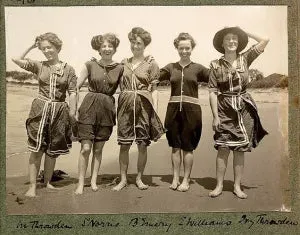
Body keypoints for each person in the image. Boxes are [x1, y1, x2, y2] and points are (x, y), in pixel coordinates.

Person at [12, 32, 77, 197]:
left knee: (52, 150)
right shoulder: (39, 66)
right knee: (37, 148)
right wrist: (32, 46)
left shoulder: (69, 69)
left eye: (50, 47)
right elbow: (15, 58)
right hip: (40, 109)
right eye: (43, 48)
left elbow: (72, 92)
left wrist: (72, 112)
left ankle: (47, 182)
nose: (47, 51)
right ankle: (33, 186)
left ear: (57, 47)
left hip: (59, 110)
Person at [208, 27, 269, 199]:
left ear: (239, 42)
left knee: (240, 149)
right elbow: (212, 91)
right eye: (228, 39)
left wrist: (245, 32)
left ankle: (237, 186)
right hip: (224, 109)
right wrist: (215, 116)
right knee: (223, 147)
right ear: (222, 43)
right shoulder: (215, 64)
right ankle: (219, 185)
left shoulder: (246, 58)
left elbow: (265, 39)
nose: (232, 41)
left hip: (244, 109)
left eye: (235, 38)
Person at [112, 27, 165, 191]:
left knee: (142, 144)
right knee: (124, 144)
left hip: (144, 104)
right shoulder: (123, 64)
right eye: (133, 43)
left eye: (139, 43)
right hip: (125, 103)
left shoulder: (152, 64)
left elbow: (154, 89)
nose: (136, 46)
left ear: (145, 44)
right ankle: (123, 180)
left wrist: (154, 110)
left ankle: (139, 178)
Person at [159, 33, 209, 192]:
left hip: (192, 110)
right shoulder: (170, 67)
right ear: (177, 48)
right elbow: (152, 76)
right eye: (181, 48)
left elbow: (217, 77)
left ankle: (186, 180)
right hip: (173, 110)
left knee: (188, 147)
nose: (184, 51)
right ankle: (175, 178)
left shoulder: (199, 68)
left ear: (192, 48)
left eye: (187, 48)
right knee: (175, 146)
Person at [75, 33, 123, 194]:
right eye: (104, 46)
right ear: (99, 48)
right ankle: (81, 183)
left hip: (107, 109)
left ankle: (94, 181)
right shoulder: (89, 64)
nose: (107, 49)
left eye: (110, 46)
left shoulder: (120, 68)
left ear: (115, 49)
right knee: (86, 148)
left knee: (98, 149)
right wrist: (72, 109)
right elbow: (75, 87)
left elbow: (125, 90)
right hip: (88, 107)